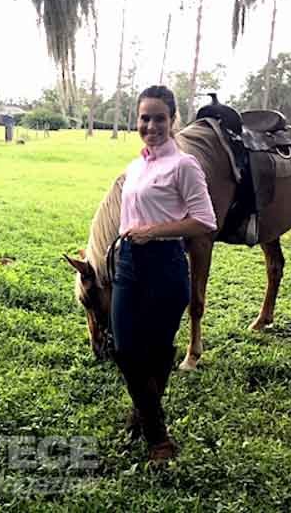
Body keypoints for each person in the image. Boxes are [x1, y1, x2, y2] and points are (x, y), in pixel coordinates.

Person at [111, 85, 217, 463]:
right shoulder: (135, 166)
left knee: (156, 353)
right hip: (128, 264)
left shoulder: (184, 165)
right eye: (144, 118)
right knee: (124, 349)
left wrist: (154, 231)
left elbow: (205, 220)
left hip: (165, 264)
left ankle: (153, 431)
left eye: (158, 118)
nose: (150, 125)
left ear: (173, 121)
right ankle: (156, 428)